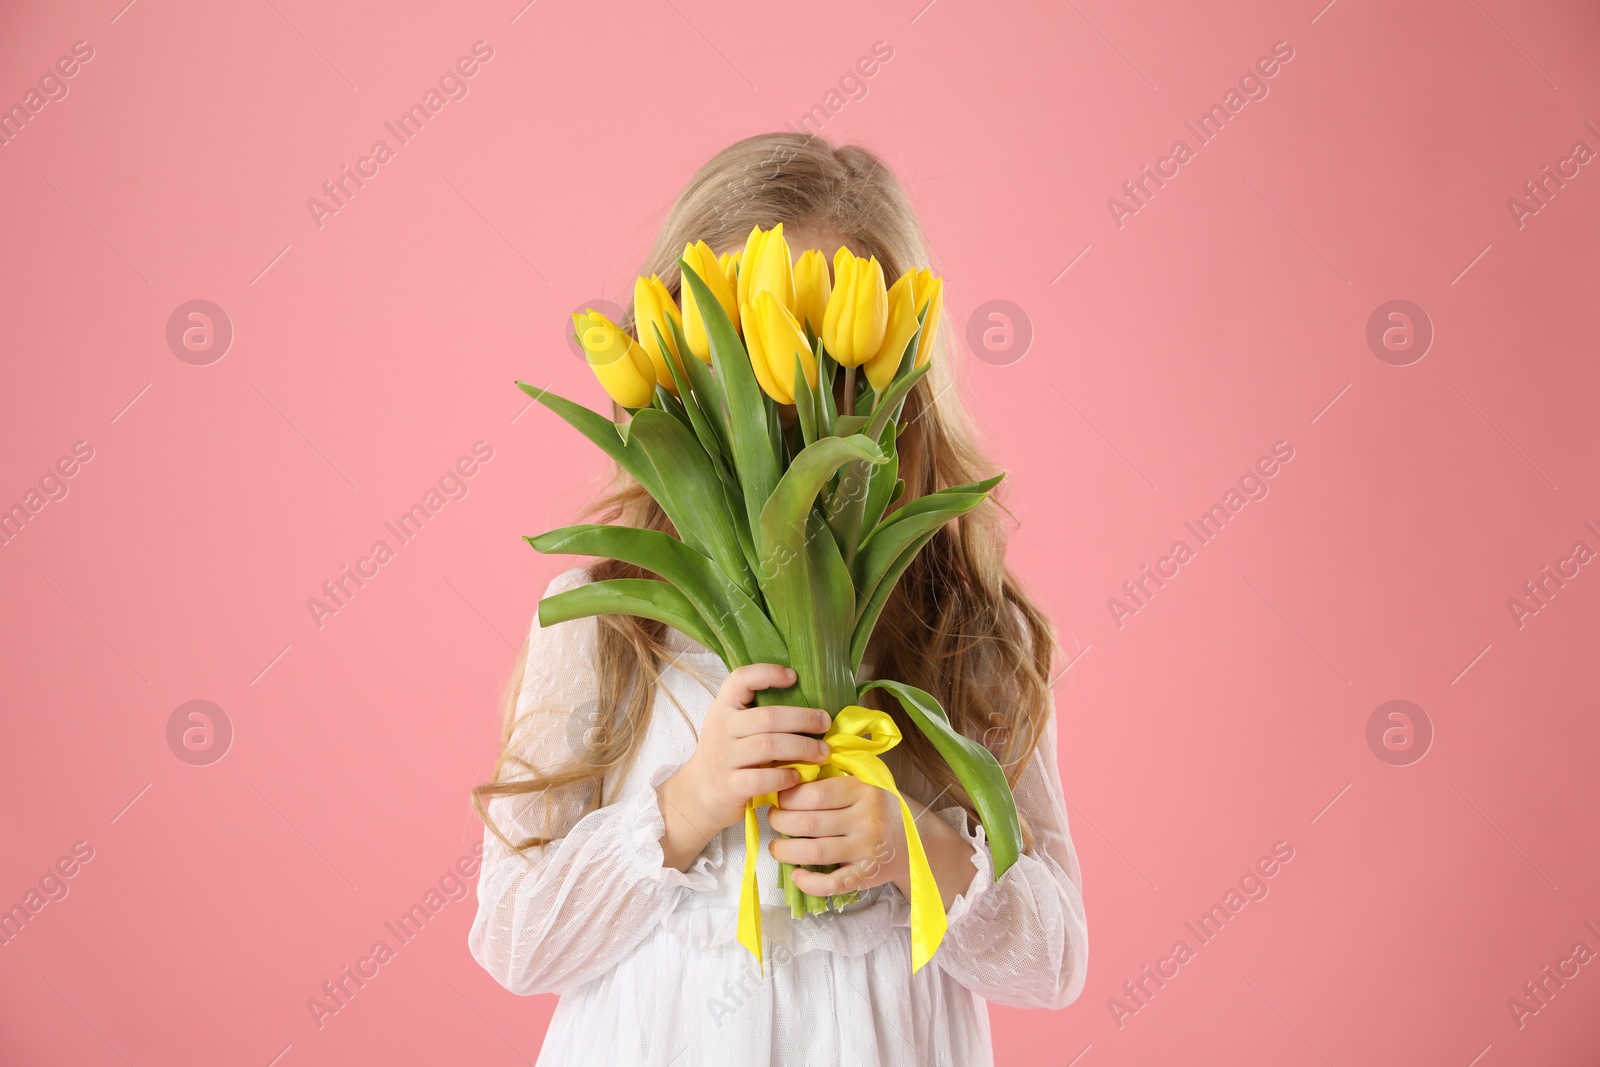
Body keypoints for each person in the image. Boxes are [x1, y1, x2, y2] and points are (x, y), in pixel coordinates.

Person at [468, 132, 1088, 1066]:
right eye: (742, 355)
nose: (783, 410)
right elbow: (515, 940)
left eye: (830, 365)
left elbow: (1057, 961)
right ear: (678, 353)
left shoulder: (964, 625)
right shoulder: (605, 617)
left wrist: (919, 848)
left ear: (900, 366)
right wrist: (687, 805)